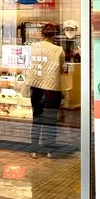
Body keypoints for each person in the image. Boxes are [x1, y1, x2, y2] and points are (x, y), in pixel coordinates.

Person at [25, 23, 65, 159]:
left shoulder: (33, 47)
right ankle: (49, 150)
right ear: (54, 36)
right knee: (50, 120)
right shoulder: (58, 50)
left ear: (41, 34)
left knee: (37, 118)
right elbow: (61, 68)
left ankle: (34, 150)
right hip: (52, 89)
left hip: (36, 87)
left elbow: (28, 64)